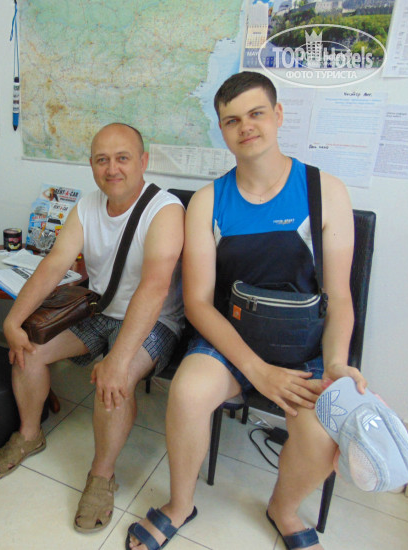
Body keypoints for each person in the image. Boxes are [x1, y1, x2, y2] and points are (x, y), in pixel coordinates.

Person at [127, 72, 367, 550]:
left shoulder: (326, 192)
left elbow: (339, 297)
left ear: (278, 115)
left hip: (303, 350)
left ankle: (284, 510)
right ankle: (179, 505)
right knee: (187, 393)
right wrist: (257, 371)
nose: (246, 127)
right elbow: (197, 302)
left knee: (323, 434)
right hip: (229, 343)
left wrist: (336, 364)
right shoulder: (208, 201)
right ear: (222, 130)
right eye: (232, 120)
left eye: (256, 114)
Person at [0, 122, 185, 533]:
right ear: (92, 165)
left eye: (122, 158)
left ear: (143, 161)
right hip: (101, 311)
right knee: (28, 352)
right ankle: (29, 433)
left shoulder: (165, 210)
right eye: (101, 160)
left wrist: (119, 359)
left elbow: (154, 287)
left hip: (155, 320)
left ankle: (101, 474)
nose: (112, 169)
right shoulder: (87, 207)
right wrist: (13, 320)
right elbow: (54, 264)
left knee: (115, 381)